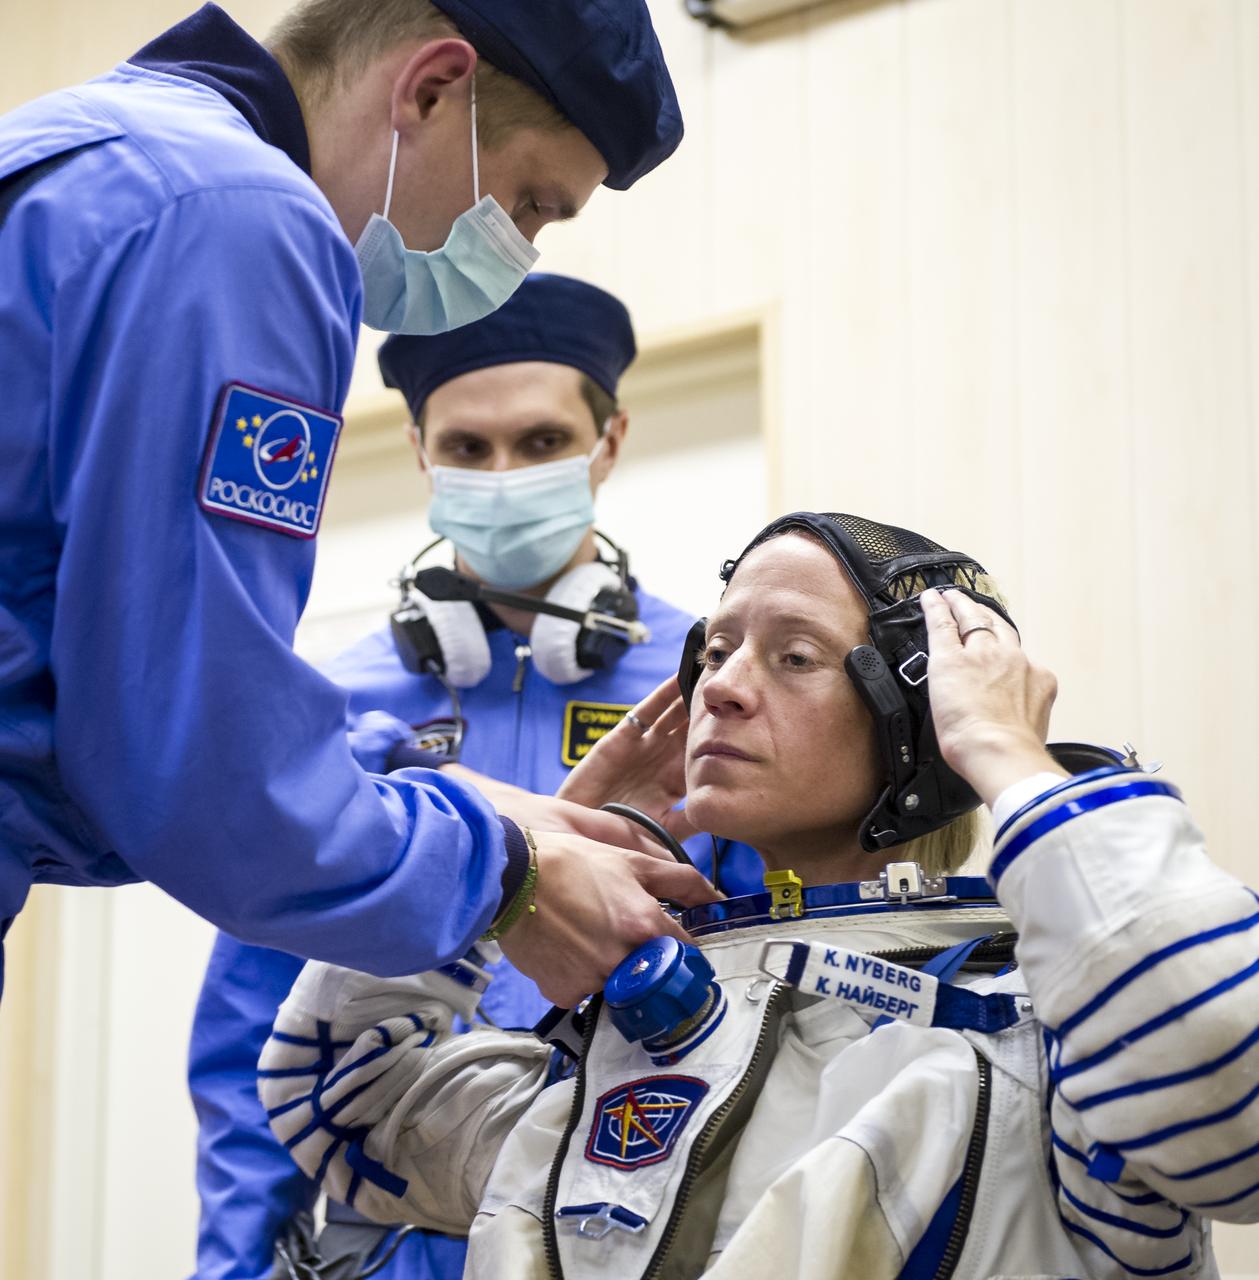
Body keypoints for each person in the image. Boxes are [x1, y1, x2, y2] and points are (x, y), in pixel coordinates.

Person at [262, 511, 1259, 1277]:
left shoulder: (1046, 1047)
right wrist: (527, 848)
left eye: (791, 655)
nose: (721, 686)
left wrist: (1009, 757)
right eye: (719, 648)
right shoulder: (634, 1043)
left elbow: (1230, 1107)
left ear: (918, 723)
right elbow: (336, 1093)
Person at [0, 0, 716, 1017]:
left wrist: (445, 792)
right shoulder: (243, 223)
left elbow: (87, 684)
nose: (519, 251)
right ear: (430, 88)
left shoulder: (85, 150)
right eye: (528, 204)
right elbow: (204, 774)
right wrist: (505, 874)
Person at [188, 273, 763, 1280]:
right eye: (466, 447)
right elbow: (251, 1016)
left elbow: (773, 975)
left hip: (635, 1216)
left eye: (540, 442)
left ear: (608, 442)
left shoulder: (706, 685)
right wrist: (236, 1262)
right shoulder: (332, 705)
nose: (502, 473)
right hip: (389, 1230)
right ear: (419, 453)